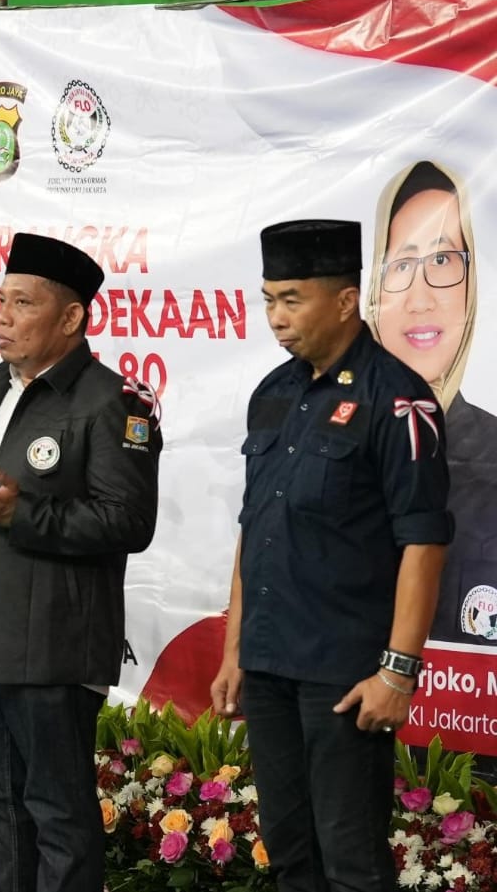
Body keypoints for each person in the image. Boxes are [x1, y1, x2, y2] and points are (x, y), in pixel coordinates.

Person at [0, 232, 162, 892]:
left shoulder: (113, 402)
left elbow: (128, 521)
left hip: (50, 649)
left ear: (71, 318)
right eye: (0, 301)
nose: (3, 316)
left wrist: (23, 516)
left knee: (57, 814)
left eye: (23, 303)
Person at [210, 219, 450, 892]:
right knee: (290, 854)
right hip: (269, 665)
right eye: (268, 300)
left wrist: (398, 672)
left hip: (343, 674)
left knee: (351, 864)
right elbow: (254, 526)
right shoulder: (272, 393)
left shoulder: (398, 400)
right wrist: (235, 650)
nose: (276, 318)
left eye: (292, 299)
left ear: (346, 301)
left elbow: (424, 540)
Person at [364, 161, 497, 645]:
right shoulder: (332, 439)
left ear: (472, 284)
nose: (419, 298)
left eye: (442, 260)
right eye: (401, 265)